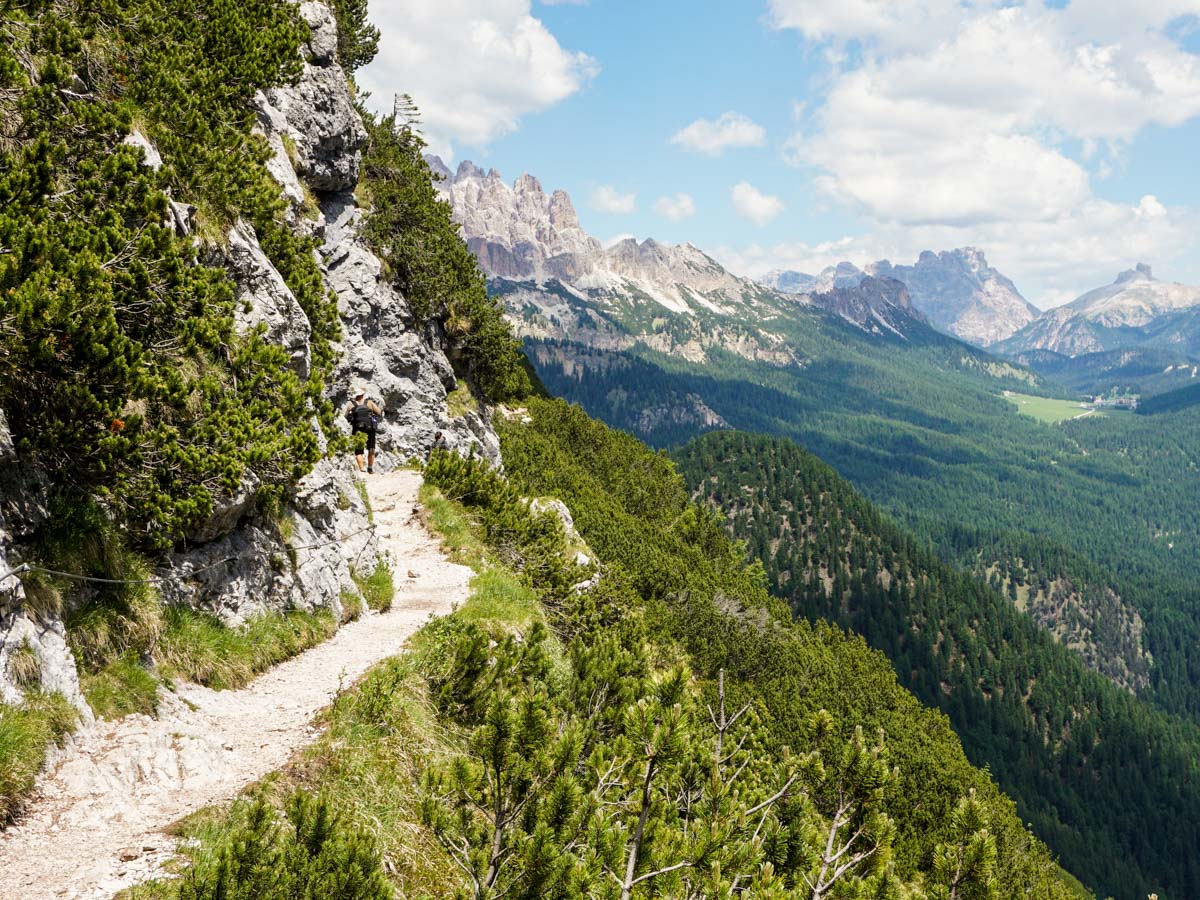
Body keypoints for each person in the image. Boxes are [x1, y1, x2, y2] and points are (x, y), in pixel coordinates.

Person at [345, 390, 382, 473]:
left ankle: (362, 468)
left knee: (358, 450)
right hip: (370, 428)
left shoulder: (351, 405)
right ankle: (370, 467)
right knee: (371, 449)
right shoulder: (369, 402)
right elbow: (379, 413)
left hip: (357, 429)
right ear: (362, 395)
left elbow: (346, 417)